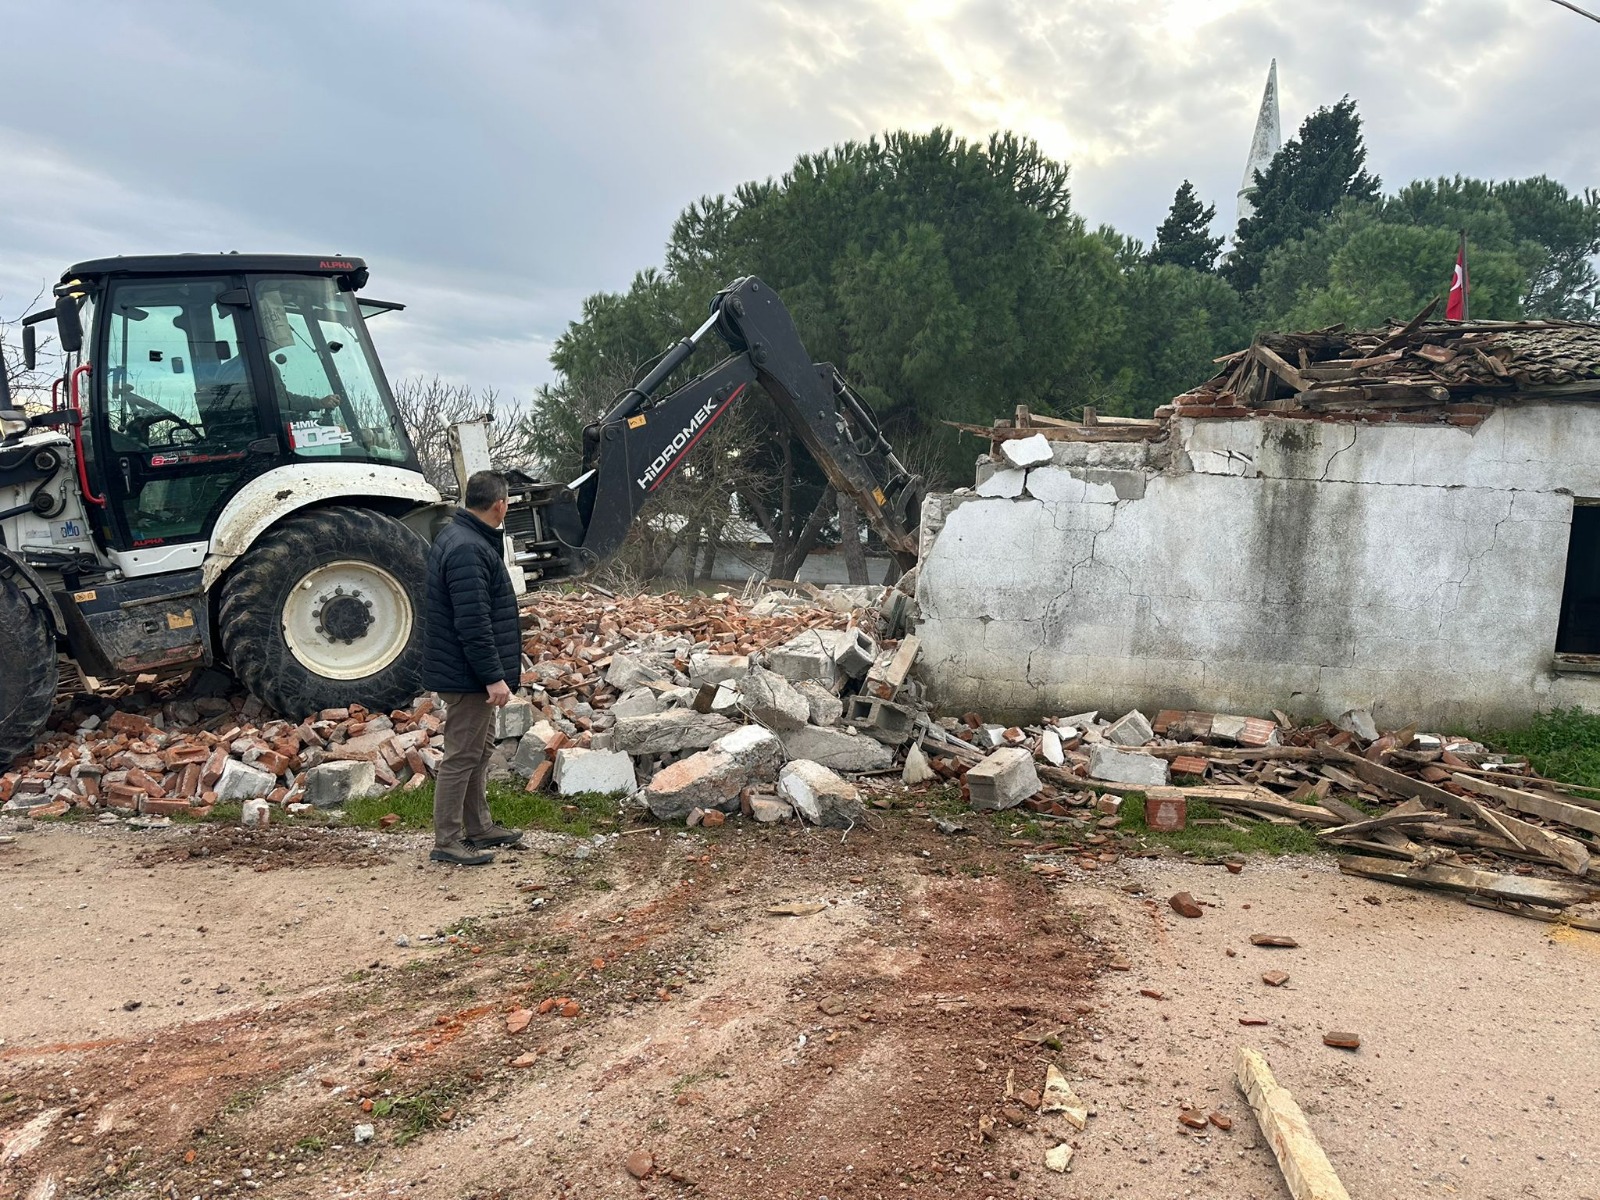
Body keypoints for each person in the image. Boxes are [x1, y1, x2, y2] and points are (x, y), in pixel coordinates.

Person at [422, 469, 526, 865]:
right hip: (468, 675)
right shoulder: (468, 548)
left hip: (465, 670)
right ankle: (447, 840)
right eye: (508, 503)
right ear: (500, 505)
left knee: (479, 750)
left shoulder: (460, 535)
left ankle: (479, 827)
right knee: (462, 755)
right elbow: (473, 622)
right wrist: (493, 677)